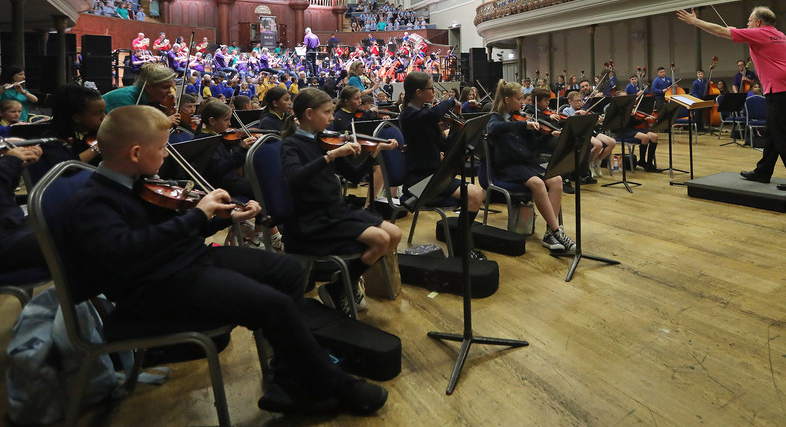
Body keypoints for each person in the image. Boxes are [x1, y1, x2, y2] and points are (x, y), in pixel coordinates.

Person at [62, 105, 387, 415]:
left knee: (289, 269)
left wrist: (227, 217)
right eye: (161, 148)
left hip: (186, 261)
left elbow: (179, 227)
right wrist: (198, 214)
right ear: (135, 153)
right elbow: (130, 250)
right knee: (272, 305)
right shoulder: (93, 200)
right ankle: (336, 385)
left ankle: (288, 378)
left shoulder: (137, 182)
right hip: (154, 285)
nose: (165, 154)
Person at [280, 88, 400, 314]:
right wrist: (331, 156)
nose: (332, 118)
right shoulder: (291, 144)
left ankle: (344, 282)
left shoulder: (323, 140)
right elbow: (294, 178)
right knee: (382, 240)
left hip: (336, 210)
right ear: (309, 114)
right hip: (312, 218)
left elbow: (354, 176)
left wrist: (375, 151)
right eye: (327, 112)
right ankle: (340, 287)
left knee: (394, 234)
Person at [677, 6, 786, 191]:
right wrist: (741, 32)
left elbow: (719, 31)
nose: (747, 24)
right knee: (773, 131)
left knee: (782, 135)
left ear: (758, 23)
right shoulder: (779, 34)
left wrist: (694, 21)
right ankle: (763, 171)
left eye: (749, 21)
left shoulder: (759, 33)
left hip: (780, 90)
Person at [488, 81, 575, 253]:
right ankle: (558, 231)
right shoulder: (495, 118)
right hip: (508, 166)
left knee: (556, 179)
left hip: (526, 163)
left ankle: (550, 232)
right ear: (507, 100)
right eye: (519, 99)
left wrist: (549, 134)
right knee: (538, 183)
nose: (522, 103)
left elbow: (532, 147)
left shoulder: (517, 116)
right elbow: (493, 128)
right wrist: (523, 125)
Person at [399, 71, 483, 213]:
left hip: (435, 176)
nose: (434, 91)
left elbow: (444, 145)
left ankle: (460, 233)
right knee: (475, 194)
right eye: (431, 88)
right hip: (420, 179)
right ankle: (460, 234)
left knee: (476, 193)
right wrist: (451, 101)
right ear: (419, 92)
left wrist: (458, 127)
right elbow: (433, 114)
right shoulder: (409, 115)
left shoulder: (425, 113)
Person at [0, 142, 46, 274]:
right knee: (76, 235)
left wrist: (17, 166)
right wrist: (9, 162)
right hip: (5, 238)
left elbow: (4, 195)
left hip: (12, 227)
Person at [102, 63, 180, 129]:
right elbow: (128, 132)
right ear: (148, 87)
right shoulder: (124, 99)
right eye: (165, 87)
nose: (170, 91)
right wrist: (164, 122)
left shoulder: (148, 99)